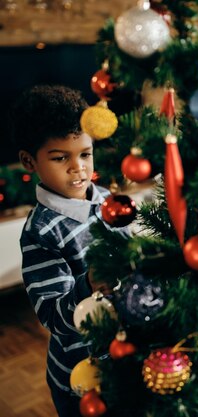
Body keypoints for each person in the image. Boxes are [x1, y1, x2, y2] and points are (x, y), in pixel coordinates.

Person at [10, 85, 117, 417]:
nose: (78, 168)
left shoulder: (102, 197)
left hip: (123, 355)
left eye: (85, 154)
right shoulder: (40, 233)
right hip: (81, 377)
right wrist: (90, 283)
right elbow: (54, 317)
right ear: (30, 161)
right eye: (60, 158)